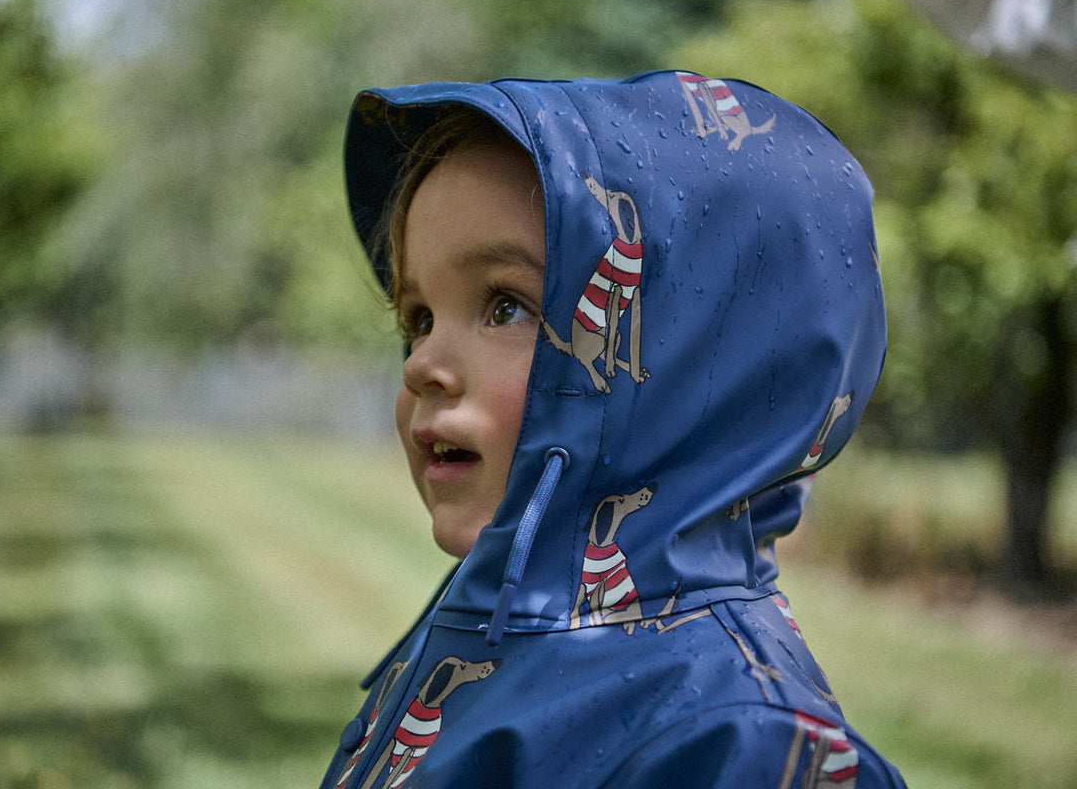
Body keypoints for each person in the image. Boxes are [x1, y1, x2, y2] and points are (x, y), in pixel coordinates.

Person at [322, 71, 907, 788]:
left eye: (506, 306)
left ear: (693, 368)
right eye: (417, 318)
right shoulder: (491, 628)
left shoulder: (737, 744)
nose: (422, 365)